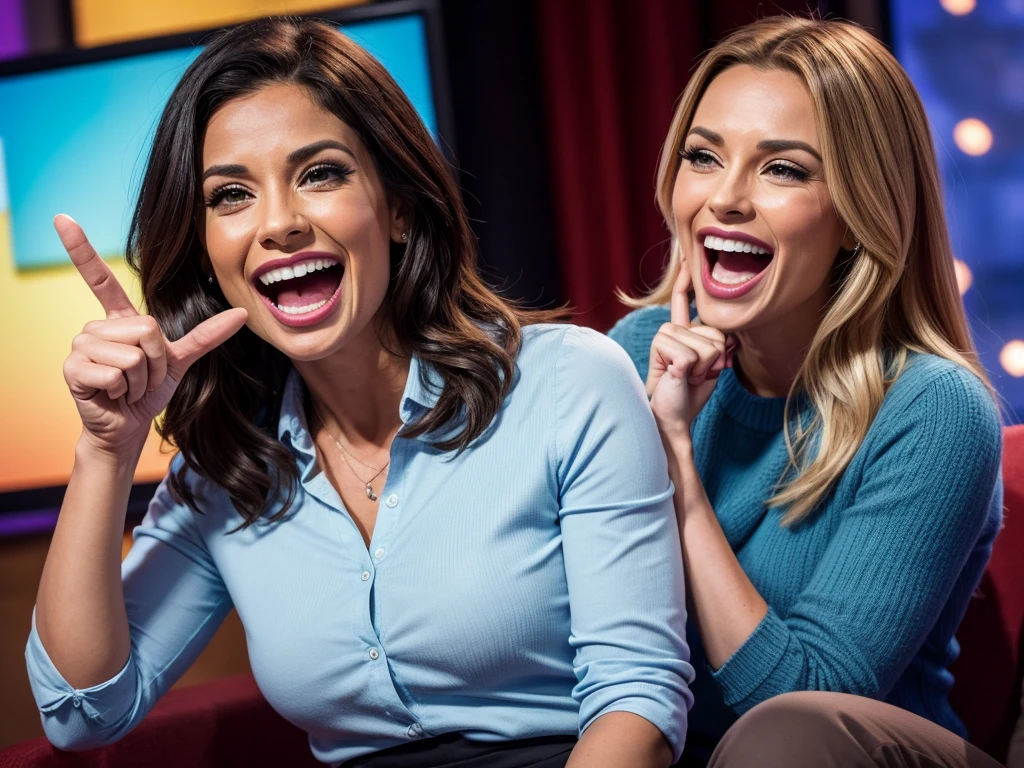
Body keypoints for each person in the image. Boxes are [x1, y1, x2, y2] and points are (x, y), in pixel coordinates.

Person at [26, 18, 694, 768]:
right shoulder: (227, 469)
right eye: (232, 195)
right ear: (209, 252)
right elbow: (81, 711)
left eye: (320, 174)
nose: (279, 223)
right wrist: (105, 449)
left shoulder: (569, 382)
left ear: (399, 206)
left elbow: (638, 702)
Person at [609, 15, 1003, 768]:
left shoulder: (935, 408)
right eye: (703, 156)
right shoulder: (632, 355)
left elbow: (804, 700)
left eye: (782, 169)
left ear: (859, 214)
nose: (724, 198)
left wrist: (677, 471)